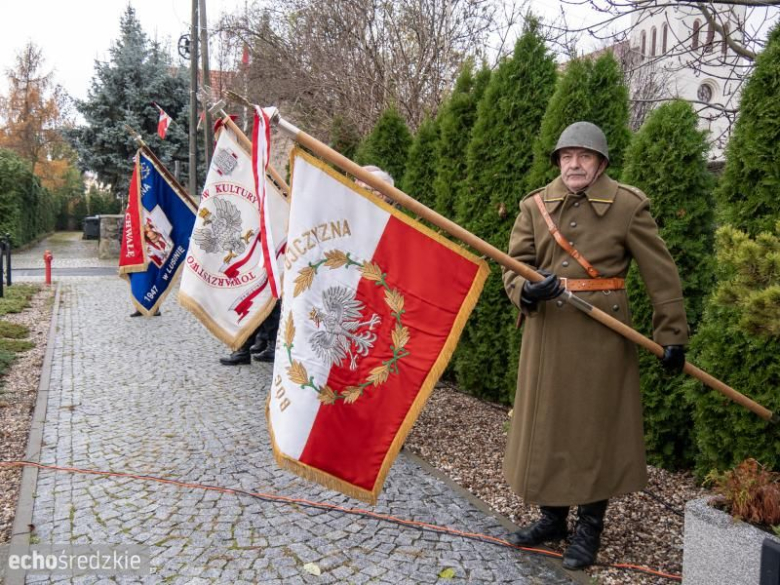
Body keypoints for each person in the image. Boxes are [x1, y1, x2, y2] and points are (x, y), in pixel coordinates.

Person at [501, 121, 688, 570]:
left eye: (584, 157)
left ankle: (589, 529)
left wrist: (671, 332)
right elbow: (515, 265)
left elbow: (660, 274)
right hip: (547, 332)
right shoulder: (535, 205)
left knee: (593, 431)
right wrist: (526, 291)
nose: (574, 165)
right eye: (566, 157)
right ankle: (552, 518)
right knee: (549, 426)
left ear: (601, 162)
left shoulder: (627, 206)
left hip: (603, 335)